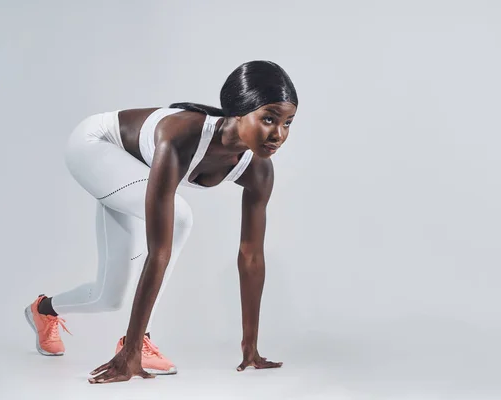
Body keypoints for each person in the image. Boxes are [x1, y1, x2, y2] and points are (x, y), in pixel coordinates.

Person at [24, 60, 299, 384]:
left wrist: (249, 348)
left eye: (288, 123)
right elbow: (159, 250)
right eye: (269, 119)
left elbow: (251, 257)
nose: (278, 134)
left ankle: (43, 311)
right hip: (94, 148)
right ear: (238, 112)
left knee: (109, 297)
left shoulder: (259, 170)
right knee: (181, 217)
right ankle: (136, 343)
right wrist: (131, 356)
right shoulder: (181, 136)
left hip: (129, 172)